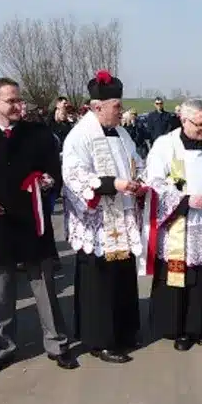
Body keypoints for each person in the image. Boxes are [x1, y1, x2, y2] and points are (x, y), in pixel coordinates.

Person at [0, 79, 77, 374]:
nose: (18, 106)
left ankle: (57, 344)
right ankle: (3, 348)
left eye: (19, 100)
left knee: (45, 288)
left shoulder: (38, 134)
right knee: (2, 292)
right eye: (11, 101)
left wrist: (49, 181)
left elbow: (54, 169)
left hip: (32, 223)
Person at [61, 71, 145, 363]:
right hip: (97, 221)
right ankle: (101, 340)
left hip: (121, 215)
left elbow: (136, 162)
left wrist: (139, 180)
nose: (121, 112)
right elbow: (74, 176)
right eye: (116, 107)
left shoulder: (121, 133)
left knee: (122, 278)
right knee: (100, 282)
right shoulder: (80, 136)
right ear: (98, 107)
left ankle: (125, 331)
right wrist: (113, 185)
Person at [143, 100, 202, 349]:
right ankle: (180, 329)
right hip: (179, 224)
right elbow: (154, 183)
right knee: (180, 276)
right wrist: (184, 200)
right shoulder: (165, 145)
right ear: (184, 121)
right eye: (200, 124)